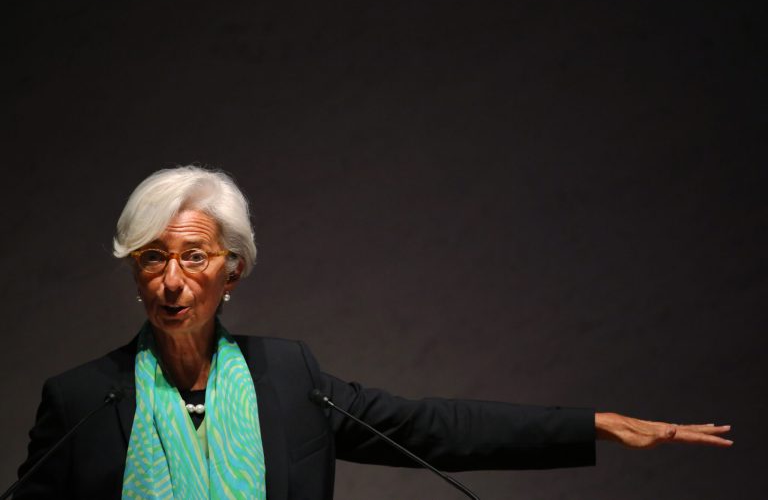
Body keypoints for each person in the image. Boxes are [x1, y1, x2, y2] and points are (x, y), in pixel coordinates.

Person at [14, 166, 732, 499]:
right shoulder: (83, 400)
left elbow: (431, 430)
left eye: (193, 256)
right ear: (135, 273)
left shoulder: (287, 379)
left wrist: (594, 426)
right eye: (152, 259)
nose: (171, 280)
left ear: (232, 271)